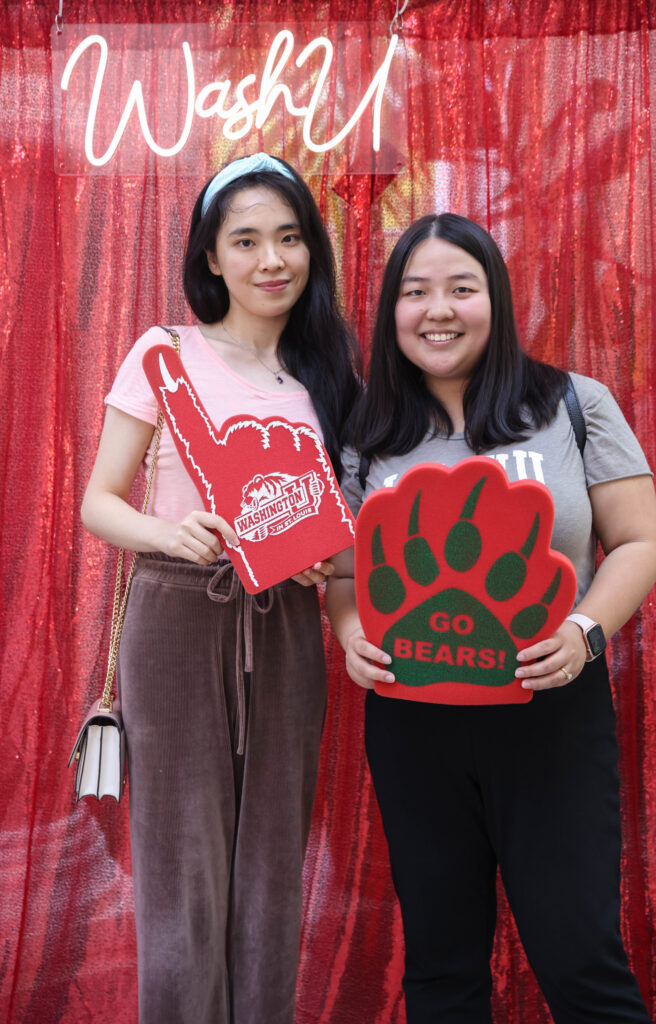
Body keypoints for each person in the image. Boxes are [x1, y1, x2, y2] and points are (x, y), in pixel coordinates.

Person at [325, 213, 656, 1023]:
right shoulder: (367, 433)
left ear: (496, 301)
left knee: (580, 960)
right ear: (390, 312)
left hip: (550, 711)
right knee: (441, 966)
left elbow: (639, 540)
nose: (436, 310)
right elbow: (342, 570)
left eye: (460, 288)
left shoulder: (572, 404)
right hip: (412, 719)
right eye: (414, 292)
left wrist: (583, 634)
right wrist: (348, 634)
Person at [81, 153, 359, 1024]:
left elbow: (341, 530)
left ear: (311, 250)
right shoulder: (165, 355)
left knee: (274, 865)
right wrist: (171, 532)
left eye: (288, 238)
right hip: (176, 614)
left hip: (285, 626)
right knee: (181, 870)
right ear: (210, 256)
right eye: (245, 240)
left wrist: (332, 578)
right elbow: (97, 501)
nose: (270, 259)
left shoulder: (328, 381)